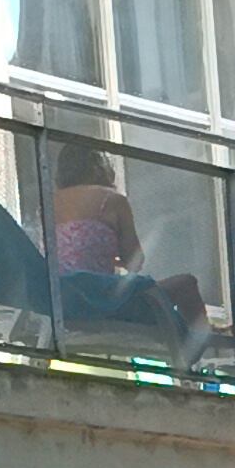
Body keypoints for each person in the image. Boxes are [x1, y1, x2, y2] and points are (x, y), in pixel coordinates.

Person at [47, 141, 203, 337]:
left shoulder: (47, 205)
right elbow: (134, 261)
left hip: (62, 301)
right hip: (103, 301)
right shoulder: (111, 200)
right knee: (187, 284)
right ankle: (202, 350)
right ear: (99, 168)